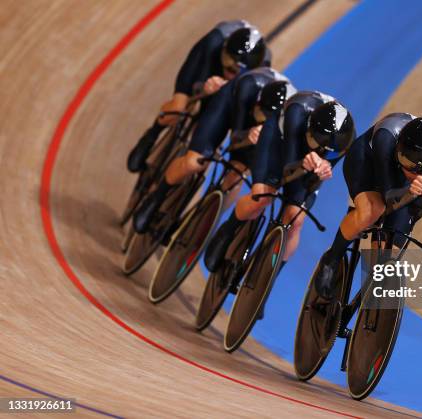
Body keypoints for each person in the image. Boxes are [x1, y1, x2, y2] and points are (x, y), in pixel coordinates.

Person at [204, 92, 356, 275]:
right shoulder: (297, 112)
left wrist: (322, 169)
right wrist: (303, 163)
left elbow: (313, 180)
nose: (321, 151)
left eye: (329, 153)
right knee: (261, 197)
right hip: (280, 141)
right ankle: (227, 231)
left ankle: (269, 277)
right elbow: (287, 170)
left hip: (306, 162)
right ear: (309, 129)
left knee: (296, 219)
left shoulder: (343, 141)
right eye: (317, 144)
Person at [313, 114, 422, 299]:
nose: (415, 173)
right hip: (368, 164)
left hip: (403, 189)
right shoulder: (386, 138)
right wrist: (413, 192)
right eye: (409, 164)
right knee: (372, 211)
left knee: (388, 254)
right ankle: (332, 259)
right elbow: (387, 196)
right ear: (399, 150)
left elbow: (415, 212)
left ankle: (369, 305)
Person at [132, 69, 294, 234]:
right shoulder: (248, 88)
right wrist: (247, 134)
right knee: (193, 162)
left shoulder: (290, 125)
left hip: (264, 131)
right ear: (257, 103)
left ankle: (203, 221)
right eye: (262, 115)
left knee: (235, 177)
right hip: (230, 106)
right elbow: (236, 136)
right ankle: (156, 198)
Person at [126, 20, 270, 173]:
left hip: (235, 89)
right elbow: (195, 84)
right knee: (178, 107)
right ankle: (152, 134)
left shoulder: (261, 72)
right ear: (223, 51)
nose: (229, 71)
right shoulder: (214, 42)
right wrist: (203, 87)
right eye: (228, 63)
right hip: (209, 67)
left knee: (207, 137)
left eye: (235, 72)